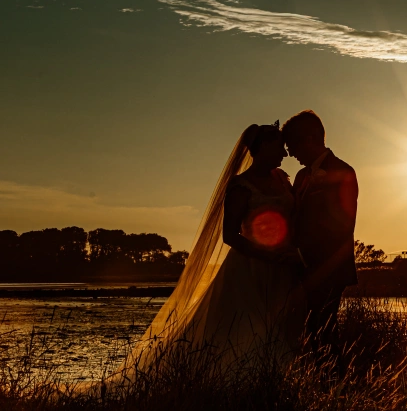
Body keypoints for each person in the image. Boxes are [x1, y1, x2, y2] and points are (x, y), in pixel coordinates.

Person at [112, 122, 304, 385]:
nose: (284, 154)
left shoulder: (282, 180)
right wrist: (267, 254)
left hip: (284, 267)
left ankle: (278, 384)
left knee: (281, 330)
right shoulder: (241, 186)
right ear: (261, 149)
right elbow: (230, 235)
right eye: (278, 148)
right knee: (246, 331)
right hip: (249, 269)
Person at [282, 110, 359, 352]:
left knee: (323, 330)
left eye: (292, 145)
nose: (290, 153)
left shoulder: (343, 171)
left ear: (310, 139)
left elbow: (343, 224)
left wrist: (304, 254)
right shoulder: (302, 175)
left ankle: (333, 385)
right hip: (301, 270)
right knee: (305, 332)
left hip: (329, 267)